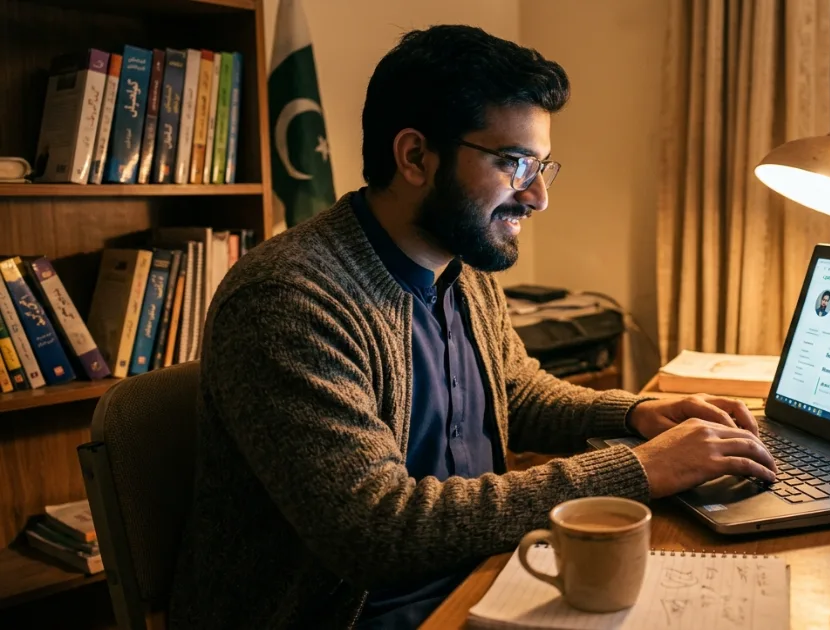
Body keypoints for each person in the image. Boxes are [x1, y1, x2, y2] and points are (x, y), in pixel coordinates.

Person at [168, 25, 777, 630]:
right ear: (414, 156)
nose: (538, 197)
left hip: (485, 577)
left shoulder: (461, 263)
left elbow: (515, 390)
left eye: (541, 166)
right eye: (513, 163)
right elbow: (377, 530)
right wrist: (638, 469)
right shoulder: (289, 298)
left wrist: (634, 415)